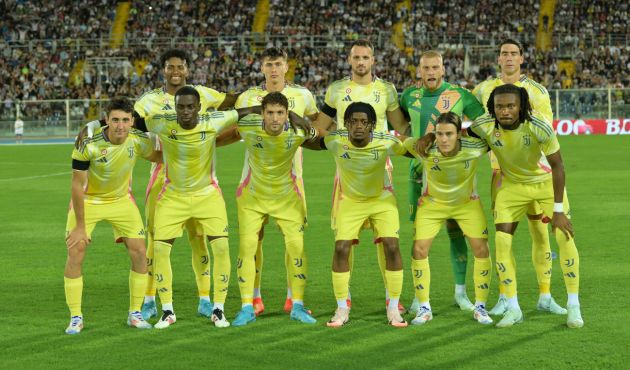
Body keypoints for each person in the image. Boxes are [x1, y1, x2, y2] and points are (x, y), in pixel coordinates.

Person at [133, 86, 258, 329]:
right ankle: (167, 311)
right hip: (172, 197)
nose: (186, 111)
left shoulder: (213, 120)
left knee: (221, 247)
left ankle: (218, 309)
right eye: (181, 106)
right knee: (159, 251)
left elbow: (246, 111)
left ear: (199, 107)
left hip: (207, 195)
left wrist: (290, 116)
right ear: (175, 107)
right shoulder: (162, 123)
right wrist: (95, 127)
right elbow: (130, 122)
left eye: (191, 106)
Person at [463, 84, 582, 328]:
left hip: (544, 183)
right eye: (499, 106)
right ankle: (513, 307)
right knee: (503, 242)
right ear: (492, 108)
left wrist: (558, 212)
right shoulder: (484, 124)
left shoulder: (538, 125)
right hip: (511, 186)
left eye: (510, 106)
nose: (504, 111)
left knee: (564, 236)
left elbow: (558, 166)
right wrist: (432, 136)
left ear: (521, 106)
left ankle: (573, 305)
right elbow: (463, 136)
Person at [314, 39, 411, 313]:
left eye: (365, 57)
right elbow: (321, 126)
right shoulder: (337, 90)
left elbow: (401, 125)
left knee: (387, 237)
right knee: (345, 236)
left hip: (380, 163)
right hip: (347, 166)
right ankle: (344, 299)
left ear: (373, 61)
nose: (360, 62)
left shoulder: (385, 90)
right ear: (349, 60)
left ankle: (391, 295)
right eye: (356, 57)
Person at [472, 39, 566, 316]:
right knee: (504, 237)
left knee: (540, 232)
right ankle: (505, 296)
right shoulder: (482, 89)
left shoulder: (537, 91)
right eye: (504, 53)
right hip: (500, 174)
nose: (509, 58)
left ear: (522, 58)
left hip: (536, 174)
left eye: (514, 53)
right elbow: (473, 120)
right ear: (498, 59)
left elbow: (545, 129)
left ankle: (545, 295)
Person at [229, 47, 320, 316]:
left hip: (292, 179)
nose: (273, 69)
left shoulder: (303, 95)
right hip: (254, 177)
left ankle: (293, 298)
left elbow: (313, 126)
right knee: (252, 239)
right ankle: (254, 298)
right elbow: (236, 130)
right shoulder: (248, 97)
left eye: (278, 63)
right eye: (268, 64)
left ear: (286, 67)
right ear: (262, 68)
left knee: (292, 240)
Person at [63, 97, 161, 334]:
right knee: (76, 250)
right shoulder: (88, 142)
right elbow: (77, 185)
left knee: (139, 251)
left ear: (132, 122)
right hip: (88, 201)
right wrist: (80, 227)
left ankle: (135, 313)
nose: (120, 126)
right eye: (115, 120)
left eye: (126, 120)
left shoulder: (138, 141)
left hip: (121, 201)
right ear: (106, 120)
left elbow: (160, 156)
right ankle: (76, 316)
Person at [399, 50, 486, 313]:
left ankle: (461, 292)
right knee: (419, 238)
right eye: (426, 68)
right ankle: (419, 296)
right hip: (419, 174)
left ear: (444, 69)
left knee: (456, 230)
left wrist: (459, 135)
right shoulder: (408, 95)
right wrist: (418, 141)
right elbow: (404, 126)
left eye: (436, 67)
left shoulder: (459, 95)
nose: (431, 72)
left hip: (455, 174)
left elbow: (483, 121)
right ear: (419, 71)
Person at [309, 102, 410, 328]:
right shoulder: (336, 141)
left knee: (392, 246)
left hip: (381, 200)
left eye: (364, 122)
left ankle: (393, 307)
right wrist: (297, 128)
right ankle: (342, 307)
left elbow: (410, 146)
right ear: (346, 124)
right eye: (353, 121)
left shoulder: (385, 141)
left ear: (372, 125)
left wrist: (427, 142)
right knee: (341, 248)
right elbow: (312, 138)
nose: (358, 126)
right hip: (351, 202)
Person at [403, 112, 493, 326]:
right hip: (432, 204)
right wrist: (424, 139)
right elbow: (397, 142)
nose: (444, 139)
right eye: (439, 134)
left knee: (482, 249)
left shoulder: (474, 148)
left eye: (449, 134)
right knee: (419, 250)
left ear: (459, 135)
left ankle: (480, 306)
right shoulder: (425, 148)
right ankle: (424, 307)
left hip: (467, 204)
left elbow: (496, 136)